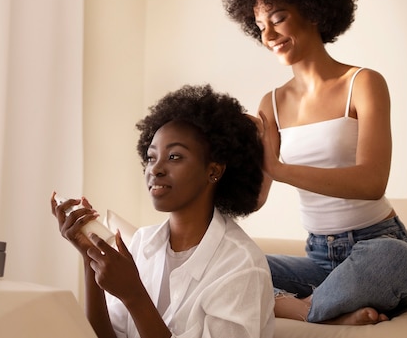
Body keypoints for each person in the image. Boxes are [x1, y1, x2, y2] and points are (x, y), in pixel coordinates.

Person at [221, 0, 407, 325]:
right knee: (230, 263)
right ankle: (324, 310)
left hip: (380, 245)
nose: (268, 36)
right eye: (259, 26)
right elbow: (254, 201)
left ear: (313, 9)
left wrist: (278, 167)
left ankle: (299, 308)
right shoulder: (269, 105)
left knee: (394, 261)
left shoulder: (364, 82)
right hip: (320, 260)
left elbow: (371, 182)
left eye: (278, 18)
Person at [51, 84, 275, 338]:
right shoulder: (142, 243)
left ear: (213, 170)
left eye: (175, 157)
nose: (155, 169)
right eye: (151, 157)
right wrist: (89, 257)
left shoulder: (241, 267)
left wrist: (134, 295)